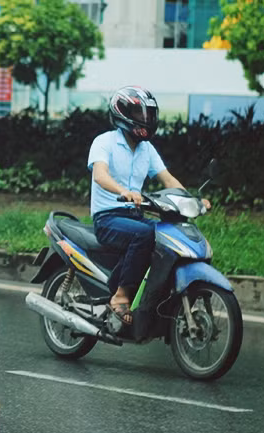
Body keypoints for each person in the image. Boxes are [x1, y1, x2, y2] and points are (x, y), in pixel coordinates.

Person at [88, 86, 210, 341]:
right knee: (145, 235)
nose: (146, 120)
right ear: (123, 113)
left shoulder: (147, 150)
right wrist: (125, 192)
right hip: (108, 217)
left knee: (165, 239)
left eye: (149, 114)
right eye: (140, 114)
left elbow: (167, 180)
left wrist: (192, 201)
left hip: (134, 215)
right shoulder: (104, 142)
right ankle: (120, 295)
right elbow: (100, 175)